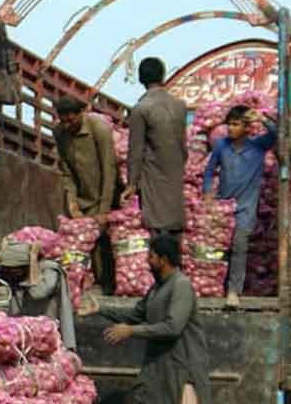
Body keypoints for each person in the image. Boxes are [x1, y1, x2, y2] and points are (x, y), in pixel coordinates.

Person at [79, 234, 213, 404]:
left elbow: (173, 327)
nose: (147, 260)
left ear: (163, 259)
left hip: (183, 369)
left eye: (151, 256)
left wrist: (131, 332)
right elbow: (136, 314)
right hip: (159, 368)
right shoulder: (156, 289)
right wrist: (101, 309)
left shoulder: (181, 287)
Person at [203, 106, 278, 308]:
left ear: (246, 128)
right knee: (220, 249)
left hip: (246, 208)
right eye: (229, 124)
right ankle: (216, 286)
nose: (231, 128)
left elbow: (276, 134)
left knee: (239, 246)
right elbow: (209, 171)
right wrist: (208, 191)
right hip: (224, 208)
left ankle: (233, 291)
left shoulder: (258, 146)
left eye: (236, 124)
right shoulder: (222, 146)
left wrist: (261, 118)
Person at [52, 95, 118, 295]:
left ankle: (108, 284)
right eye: (63, 121)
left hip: (106, 194)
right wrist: (72, 202)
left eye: (71, 120)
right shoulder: (60, 133)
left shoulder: (99, 129)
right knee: (84, 242)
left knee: (105, 241)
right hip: (83, 197)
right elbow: (66, 172)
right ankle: (89, 284)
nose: (68, 125)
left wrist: (104, 209)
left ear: (81, 113)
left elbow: (109, 168)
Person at [123, 57, 189, 238]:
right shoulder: (180, 106)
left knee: (157, 224)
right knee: (174, 223)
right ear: (163, 76)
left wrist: (131, 183)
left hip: (153, 174)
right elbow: (183, 144)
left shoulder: (141, 109)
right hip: (175, 172)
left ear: (141, 79)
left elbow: (135, 151)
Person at [0, 241, 76, 351]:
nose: (9, 272)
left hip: (46, 336)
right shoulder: (14, 273)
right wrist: (1, 253)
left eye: (13, 269)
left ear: (25, 265)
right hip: (21, 334)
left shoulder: (50, 270)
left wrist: (33, 257)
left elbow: (37, 293)